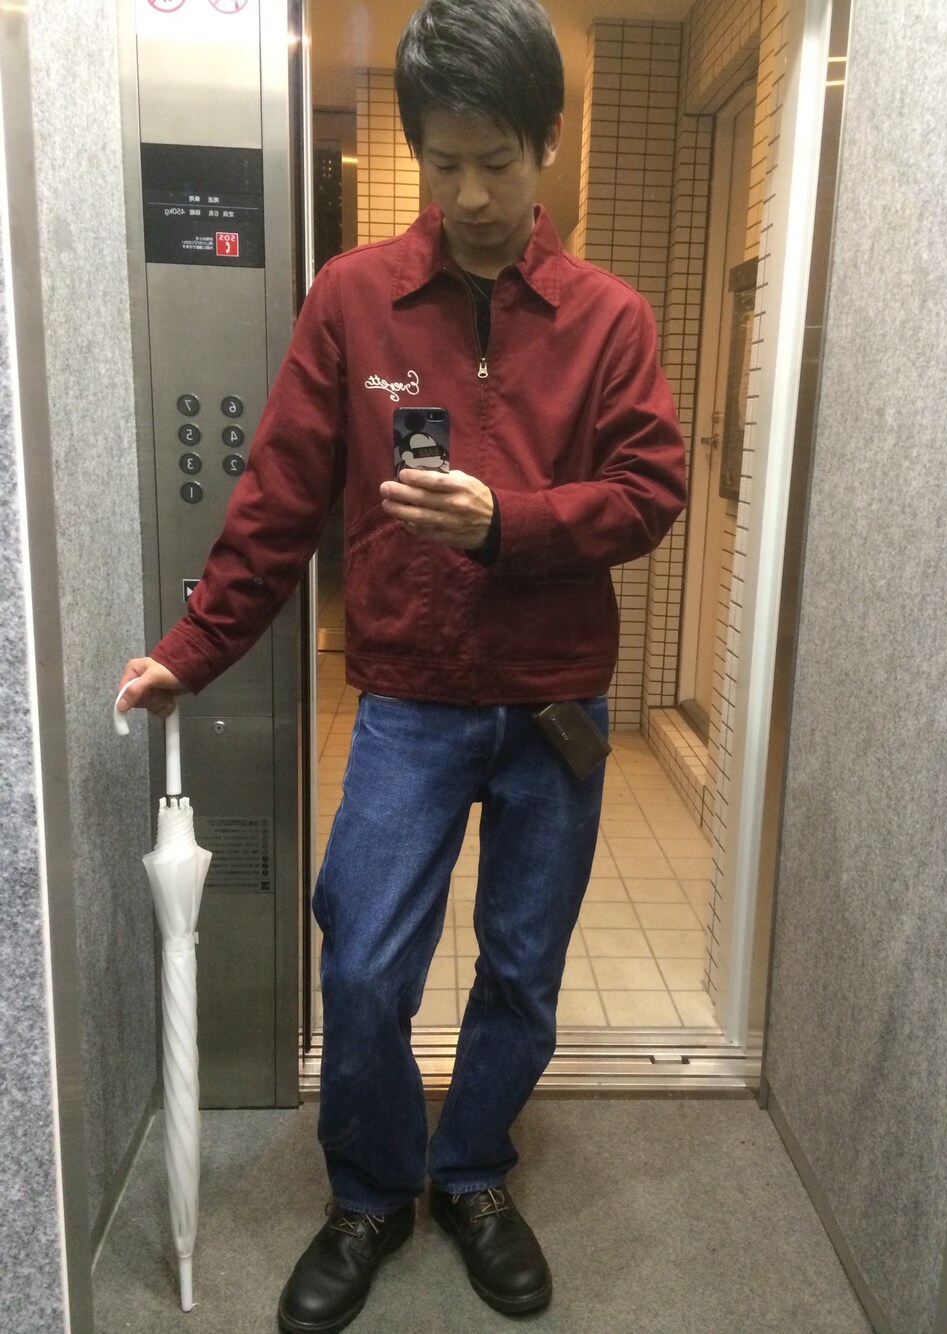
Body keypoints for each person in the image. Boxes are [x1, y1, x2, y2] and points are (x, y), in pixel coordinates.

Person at [117, 0, 687, 1328]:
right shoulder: (354, 298)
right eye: (444, 162)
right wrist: (194, 649)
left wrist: (509, 523)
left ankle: (474, 1171)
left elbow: (650, 490)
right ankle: (371, 1192)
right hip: (411, 702)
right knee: (366, 962)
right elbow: (277, 497)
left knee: (523, 965)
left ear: (548, 145)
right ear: (419, 150)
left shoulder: (609, 319)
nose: (471, 194)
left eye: (498, 160)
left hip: (553, 702)